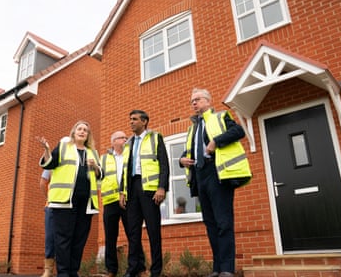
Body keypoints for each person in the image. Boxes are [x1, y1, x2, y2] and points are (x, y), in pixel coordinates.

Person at [179, 88, 251, 277]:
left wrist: (216, 142)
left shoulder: (220, 117)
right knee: (210, 223)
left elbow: (239, 131)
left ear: (208, 101)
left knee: (223, 222)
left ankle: (227, 268)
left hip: (217, 173)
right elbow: (188, 151)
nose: (194, 103)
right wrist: (182, 160)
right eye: (191, 101)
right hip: (199, 176)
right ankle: (217, 268)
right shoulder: (192, 128)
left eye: (197, 99)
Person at [38, 121, 102, 277]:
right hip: (64, 202)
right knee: (63, 239)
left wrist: (95, 167)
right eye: (79, 129)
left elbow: (100, 177)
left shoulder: (93, 153)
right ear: (73, 132)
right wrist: (47, 149)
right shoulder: (63, 147)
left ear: (88, 135)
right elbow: (49, 164)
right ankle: (64, 273)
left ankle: (73, 272)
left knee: (79, 239)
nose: (82, 131)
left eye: (85, 130)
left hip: (86, 203)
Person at [119, 110, 170, 277]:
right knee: (133, 231)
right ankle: (133, 268)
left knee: (153, 230)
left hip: (149, 190)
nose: (131, 122)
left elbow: (164, 164)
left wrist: (161, 187)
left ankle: (156, 270)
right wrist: (122, 192)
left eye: (134, 119)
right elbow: (124, 170)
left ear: (144, 121)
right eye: (130, 119)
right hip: (132, 189)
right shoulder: (128, 144)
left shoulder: (155, 138)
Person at [99, 131, 129, 277]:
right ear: (113, 142)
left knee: (133, 235)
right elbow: (98, 179)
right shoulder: (103, 159)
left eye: (126, 137)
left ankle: (137, 267)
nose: (125, 139)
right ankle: (111, 270)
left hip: (128, 200)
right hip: (110, 201)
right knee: (110, 237)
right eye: (121, 138)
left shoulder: (130, 155)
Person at [40, 169, 55, 277]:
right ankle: (48, 270)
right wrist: (48, 198)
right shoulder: (51, 162)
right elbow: (42, 182)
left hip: (67, 208)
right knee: (50, 238)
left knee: (65, 238)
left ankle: (65, 270)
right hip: (51, 207)